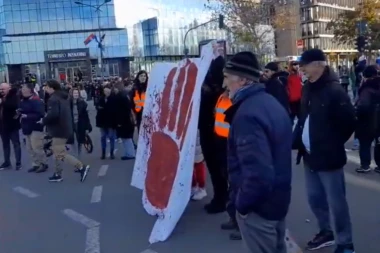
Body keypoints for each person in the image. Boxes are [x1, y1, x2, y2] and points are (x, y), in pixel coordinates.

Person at [223, 51, 292, 253]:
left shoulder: (247, 115)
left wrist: (241, 205)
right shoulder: (269, 103)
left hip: (259, 208)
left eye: (227, 77)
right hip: (277, 200)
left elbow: (258, 174)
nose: (225, 84)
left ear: (243, 80)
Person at [293, 49, 356, 253]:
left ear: (319, 65)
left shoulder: (334, 90)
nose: (301, 68)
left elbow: (348, 122)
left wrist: (331, 143)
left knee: (337, 203)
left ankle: (345, 243)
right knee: (315, 199)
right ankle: (325, 232)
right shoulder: (307, 88)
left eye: (305, 64)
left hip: (329, 157)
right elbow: (303, 118)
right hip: (309, 156)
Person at [42, 80, 90, 182]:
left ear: (52, 88)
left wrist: (43, 120)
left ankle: (81, 166)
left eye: (46, 86)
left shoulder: (53, 99)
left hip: (58, 129)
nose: (45, 88)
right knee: (56, 152)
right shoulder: (64, 97)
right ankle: (57, 173)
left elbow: (53, 114)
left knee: (59, 153)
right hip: (65, 128)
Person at [198, 56, 229, 214]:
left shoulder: (218, 90)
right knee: (217, 169)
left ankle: (222, 199)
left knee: (219, 170)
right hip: (212, 133)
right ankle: (222, 198)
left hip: (217, 135)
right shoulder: (211, 87)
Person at [355, 65, 380, 173]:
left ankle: (365, 165)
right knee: (379, 143)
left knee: (365, 143)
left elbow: (363, 105)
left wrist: (356, 112)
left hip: (367, 119)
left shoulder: (367, 88)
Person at [19, 83, 48, 173]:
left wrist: (27, 116)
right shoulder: (23, 100)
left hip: (36, 126)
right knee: (29, 148)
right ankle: (36, 164)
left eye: (24, 89)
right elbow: (22, 109)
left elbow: (40, 114)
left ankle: (43, 163)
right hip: (27, 126)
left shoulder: (37, 100)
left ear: (30, 91)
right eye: (22, 89)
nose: (22, 91)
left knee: (37, 147)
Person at [0, 83, 22, 170]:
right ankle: (7, 162)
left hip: (12, 125)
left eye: (3, 89)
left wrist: (3, 102)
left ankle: (18, 162)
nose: (1, 91)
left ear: (9, 89)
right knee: (5, 145)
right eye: (0, 89)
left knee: (16, 144)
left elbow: (15, 107)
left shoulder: (14, 96)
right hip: (2, 125)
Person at [67, 88, 92, 158]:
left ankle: (78, 157)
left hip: (80, 124)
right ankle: (76, 158)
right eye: (74, 93)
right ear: (71, 94)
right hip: (71, 125)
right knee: (74, 142)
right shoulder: (68, 103)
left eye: (77, 93)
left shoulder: (82, 103)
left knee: (80, 142)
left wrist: (87, 127)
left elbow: (86, 117)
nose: (76, 95)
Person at [95, 85, 118, 159]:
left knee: (111, 137)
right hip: (102, 121)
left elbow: (116, 111)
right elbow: (98, 107)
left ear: (110, 91)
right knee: (103, 137)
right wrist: (99, 107)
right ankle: (103, 153)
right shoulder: (101, 98)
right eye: (105, 91)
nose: (106, 92)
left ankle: (111, 152)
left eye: (108, 91)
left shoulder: (114, 99)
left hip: (111, 121)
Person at [114, 83, 136, 160]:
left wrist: (119, 122)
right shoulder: (124, 96)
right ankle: (129, 153)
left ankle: (130, 154)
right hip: (127, 120)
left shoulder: (120, 97)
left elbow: (120, 111)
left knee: (126, 139)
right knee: (127, 138)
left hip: (124, 121)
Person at [191, 130, 207, 200]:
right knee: (189, 165)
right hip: (190, 134)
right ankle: (193, 186)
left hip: (197, 135)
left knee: (198, 163)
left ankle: (201, 188)